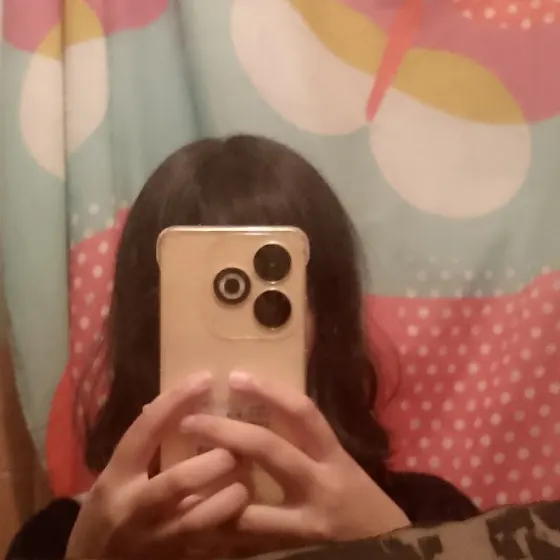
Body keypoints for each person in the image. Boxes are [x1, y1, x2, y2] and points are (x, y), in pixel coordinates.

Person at [6, 135, 478, 560]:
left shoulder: (430, 517)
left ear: (327, 320)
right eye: (194, 301)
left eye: (275, 305)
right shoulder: (59, 540)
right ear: (146, 327)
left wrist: (393, 546)